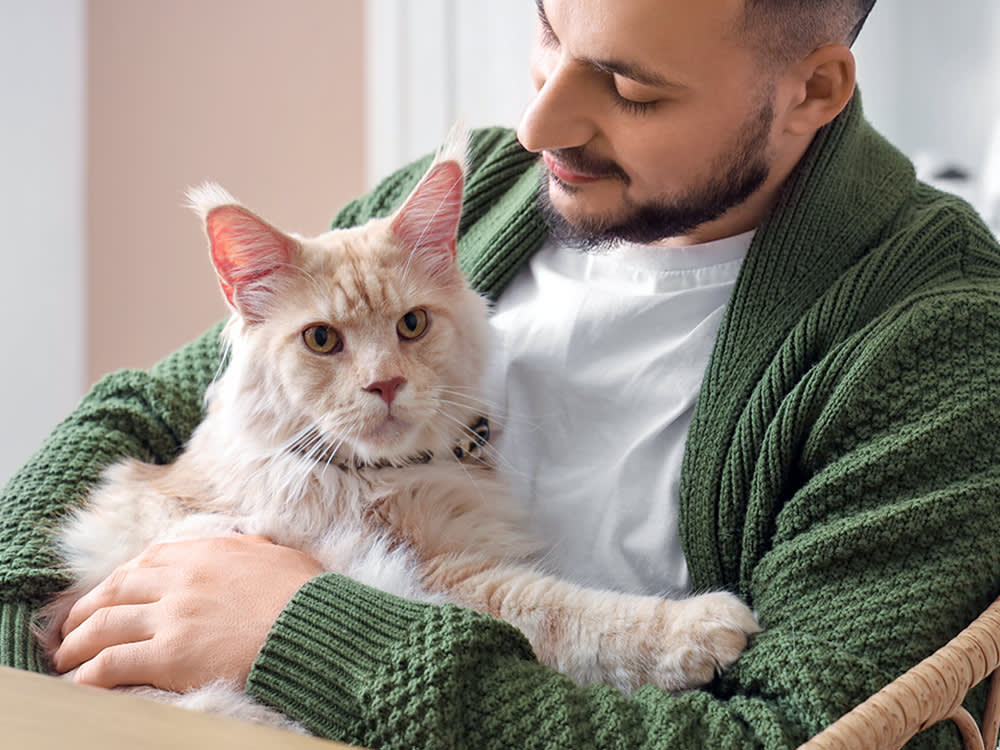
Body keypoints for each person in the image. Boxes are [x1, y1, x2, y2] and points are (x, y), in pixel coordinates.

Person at [3, 0, 1000, 747]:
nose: (538, 127)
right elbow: (140, 412)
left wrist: (301, 635)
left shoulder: (935, 338)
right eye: (547, 32)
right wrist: (22, 668)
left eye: (629, 88)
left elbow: (777, 735)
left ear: (813, 91)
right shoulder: (481, 191)